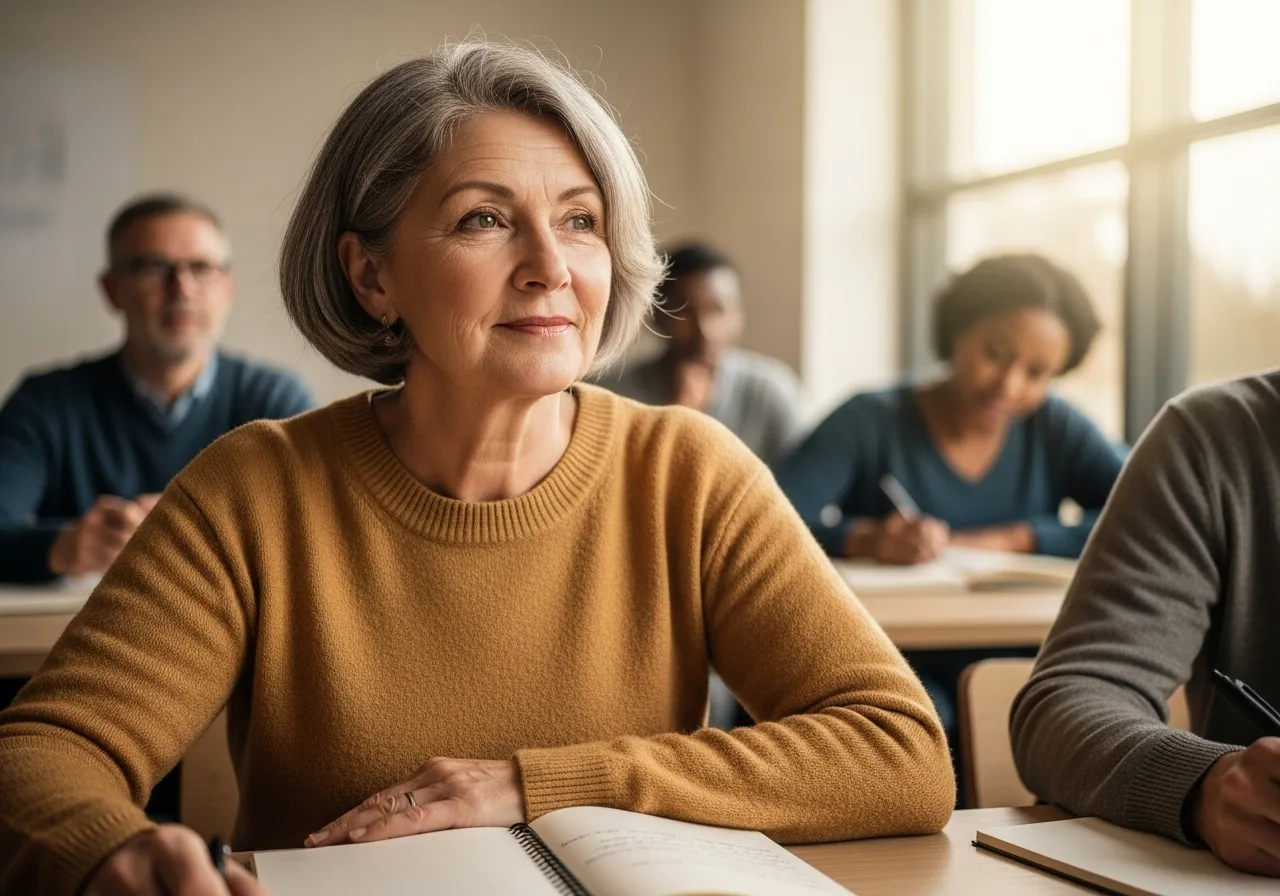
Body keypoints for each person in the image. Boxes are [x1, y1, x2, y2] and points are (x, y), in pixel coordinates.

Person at [0, 42, 954, 896]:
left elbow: (899, 753)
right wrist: (105, 852)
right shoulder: (254, 489)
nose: (551, 266)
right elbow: (44, 750)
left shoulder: (688, 469)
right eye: (484, 220)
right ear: (371, 277)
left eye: (580, 221)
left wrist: (534, 784)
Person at [773, 254, 1127, 786]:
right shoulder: (870, 419)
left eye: (1037, 373)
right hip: (890, 662)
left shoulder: (1055, 427)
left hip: (1028, 661)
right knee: (921, 739)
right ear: (957, 332)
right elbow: (766, 519)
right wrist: (865, 537)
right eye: (994, 353)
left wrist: (1022, 537)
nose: (1009, 385)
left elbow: (1144, 516)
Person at [1012, 370, 1280, 878]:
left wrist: (1021, 535)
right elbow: (1066, 702)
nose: (1010, 382)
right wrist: (1203, 784)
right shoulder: (1216, 439)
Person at [0, 194, 314, 585]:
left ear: (227, 289)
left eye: (201, 267)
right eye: (153, 267)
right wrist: (67, 546)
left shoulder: (274, 403)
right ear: (112, 289)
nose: (181, 288)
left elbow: (314, 538)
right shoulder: (45, 403)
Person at [599, 242, 803, 464]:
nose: (706, 330)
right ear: (657, 315)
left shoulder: (770, 392)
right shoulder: (614, 394)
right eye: (685, 312)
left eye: (719, 310)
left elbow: (806, 485)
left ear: (739, 313)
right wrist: (678, 412)